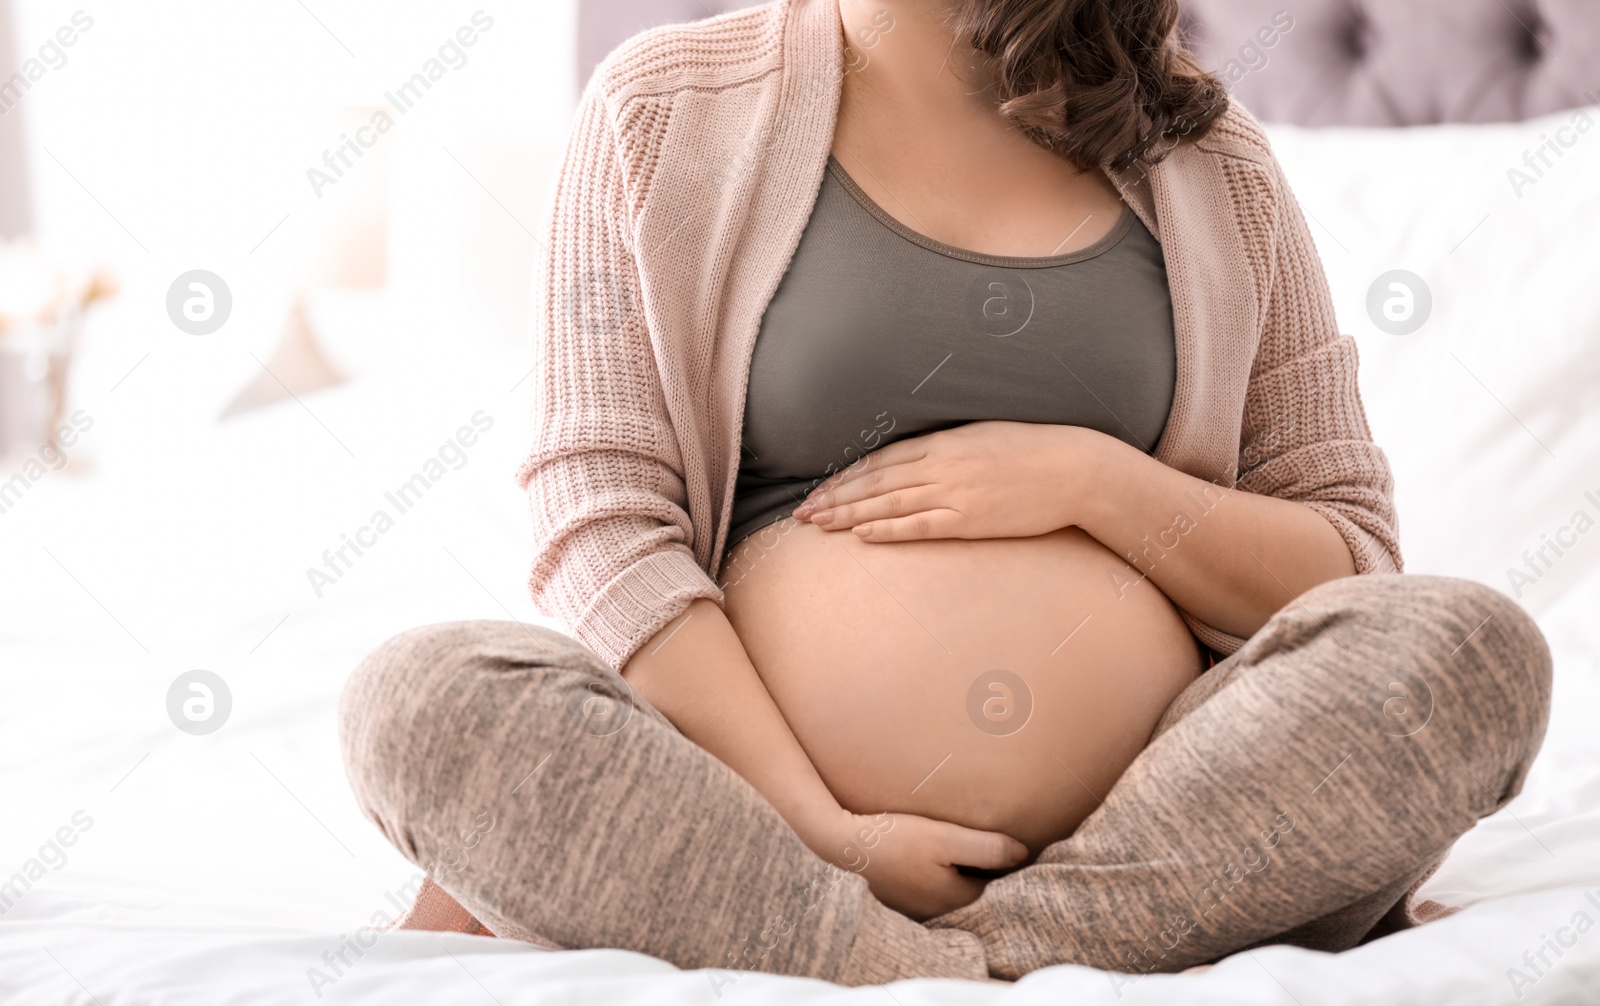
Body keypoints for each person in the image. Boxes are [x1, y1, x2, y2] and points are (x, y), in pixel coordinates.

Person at [338, 0, 1552, 985]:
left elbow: (1346, 560)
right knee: (418, 700)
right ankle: (905, 940)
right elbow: (601, 505)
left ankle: (914, 959)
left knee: (1465, 650)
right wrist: (820, 828)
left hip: (1158, 829)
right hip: (748, 822)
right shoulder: (663, 107)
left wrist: (1095, 484)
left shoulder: (1208, 157)